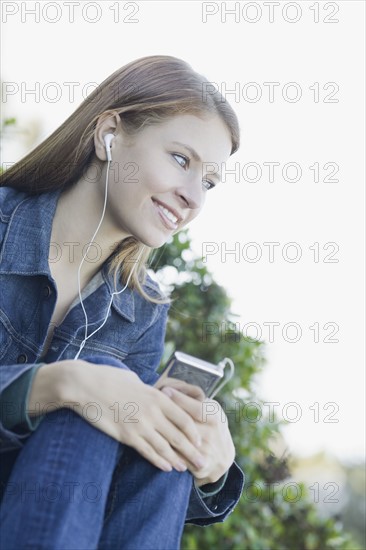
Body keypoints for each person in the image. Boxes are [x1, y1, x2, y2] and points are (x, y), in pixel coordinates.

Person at [0, 55, 244, 549]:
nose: (194, 197)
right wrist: (64, 382)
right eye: (181, 159)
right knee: (98, 383)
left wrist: (208, 461)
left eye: (210, 182)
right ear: (110, 133)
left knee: (152, 422)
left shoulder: (143, 309)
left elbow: (126, 489)